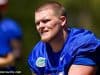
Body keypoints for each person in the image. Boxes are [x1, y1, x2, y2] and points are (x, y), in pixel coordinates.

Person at [28, 1, 100, 75]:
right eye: (37, 23)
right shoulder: (37, 53)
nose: (40, 26)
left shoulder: (83, 43)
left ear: (62, 21)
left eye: (45, 21)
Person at [0, 0, 22, 72]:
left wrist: (7, 60)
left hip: (6, 68)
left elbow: (17, 52)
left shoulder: (11, 26)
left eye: (2, 6)